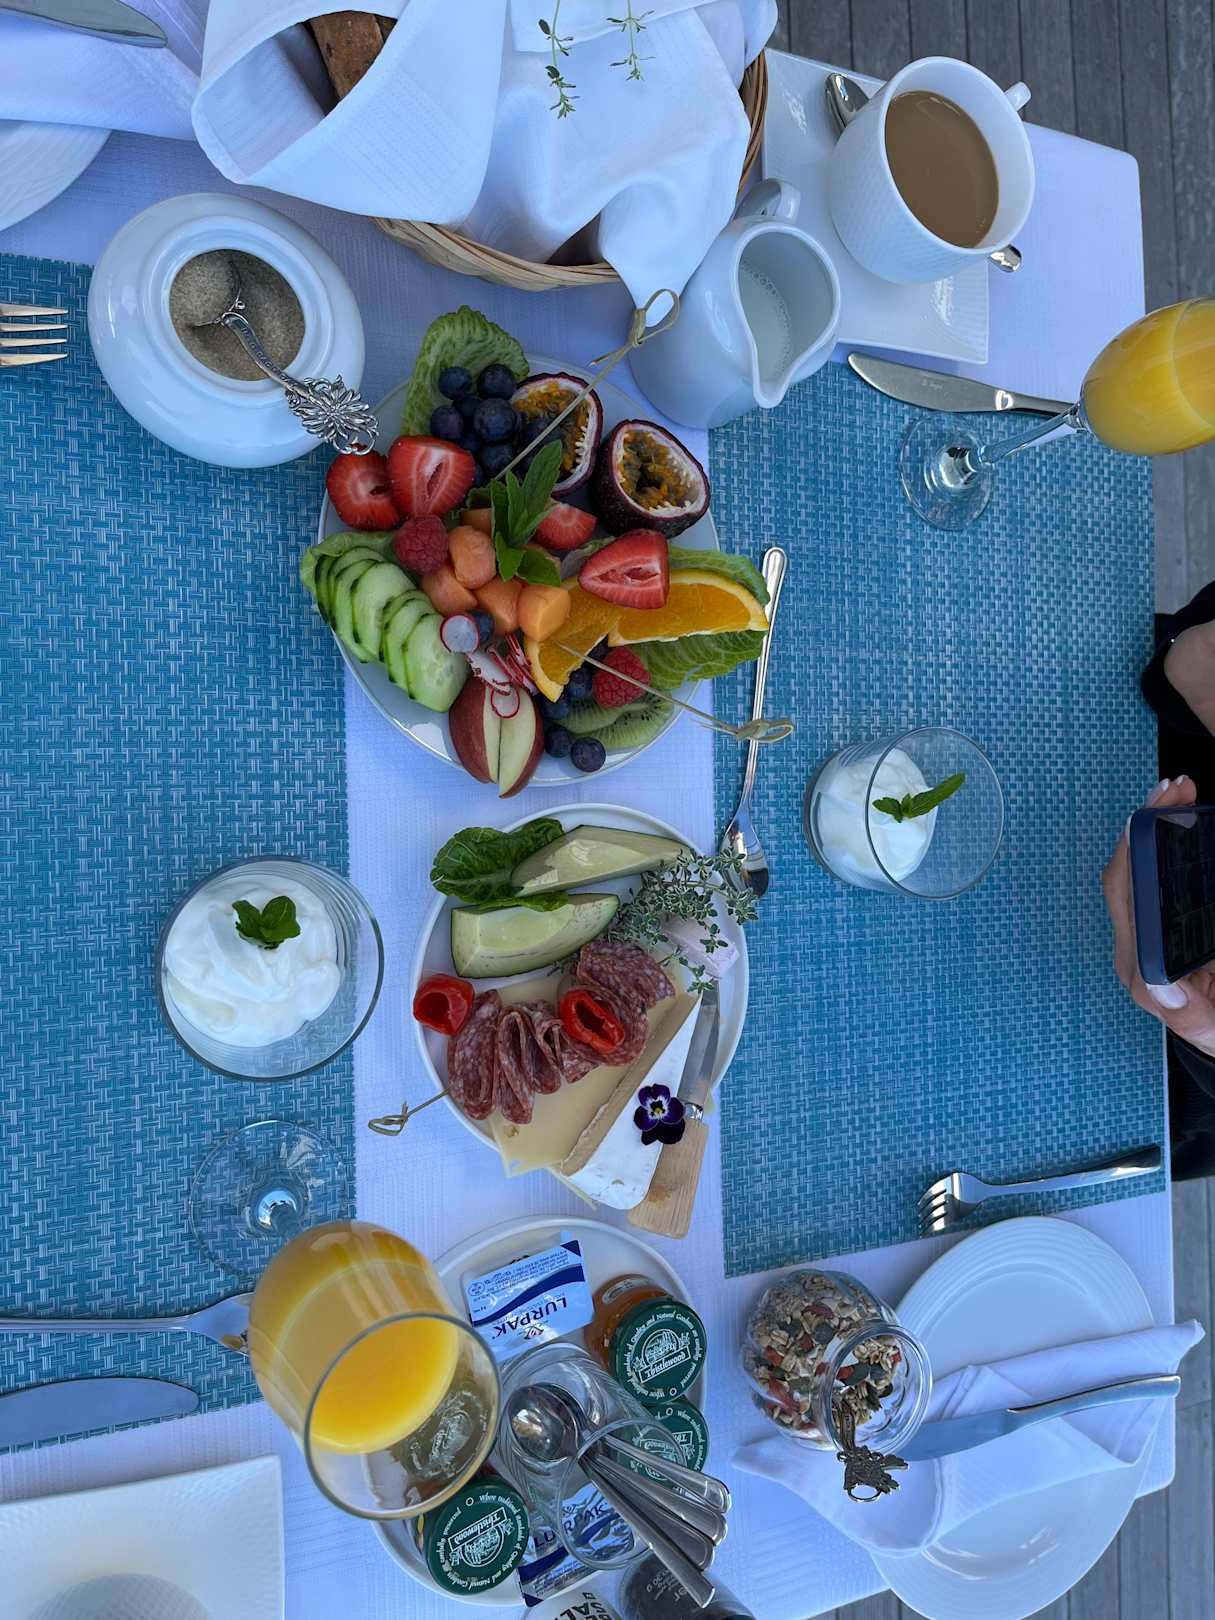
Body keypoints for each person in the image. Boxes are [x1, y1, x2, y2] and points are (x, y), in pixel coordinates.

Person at [1103, 589, 1215, 1177]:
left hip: (1136, 1096)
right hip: (1112, 731)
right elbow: (1181, 662)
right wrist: (1193, 665)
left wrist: (1209, 1044)